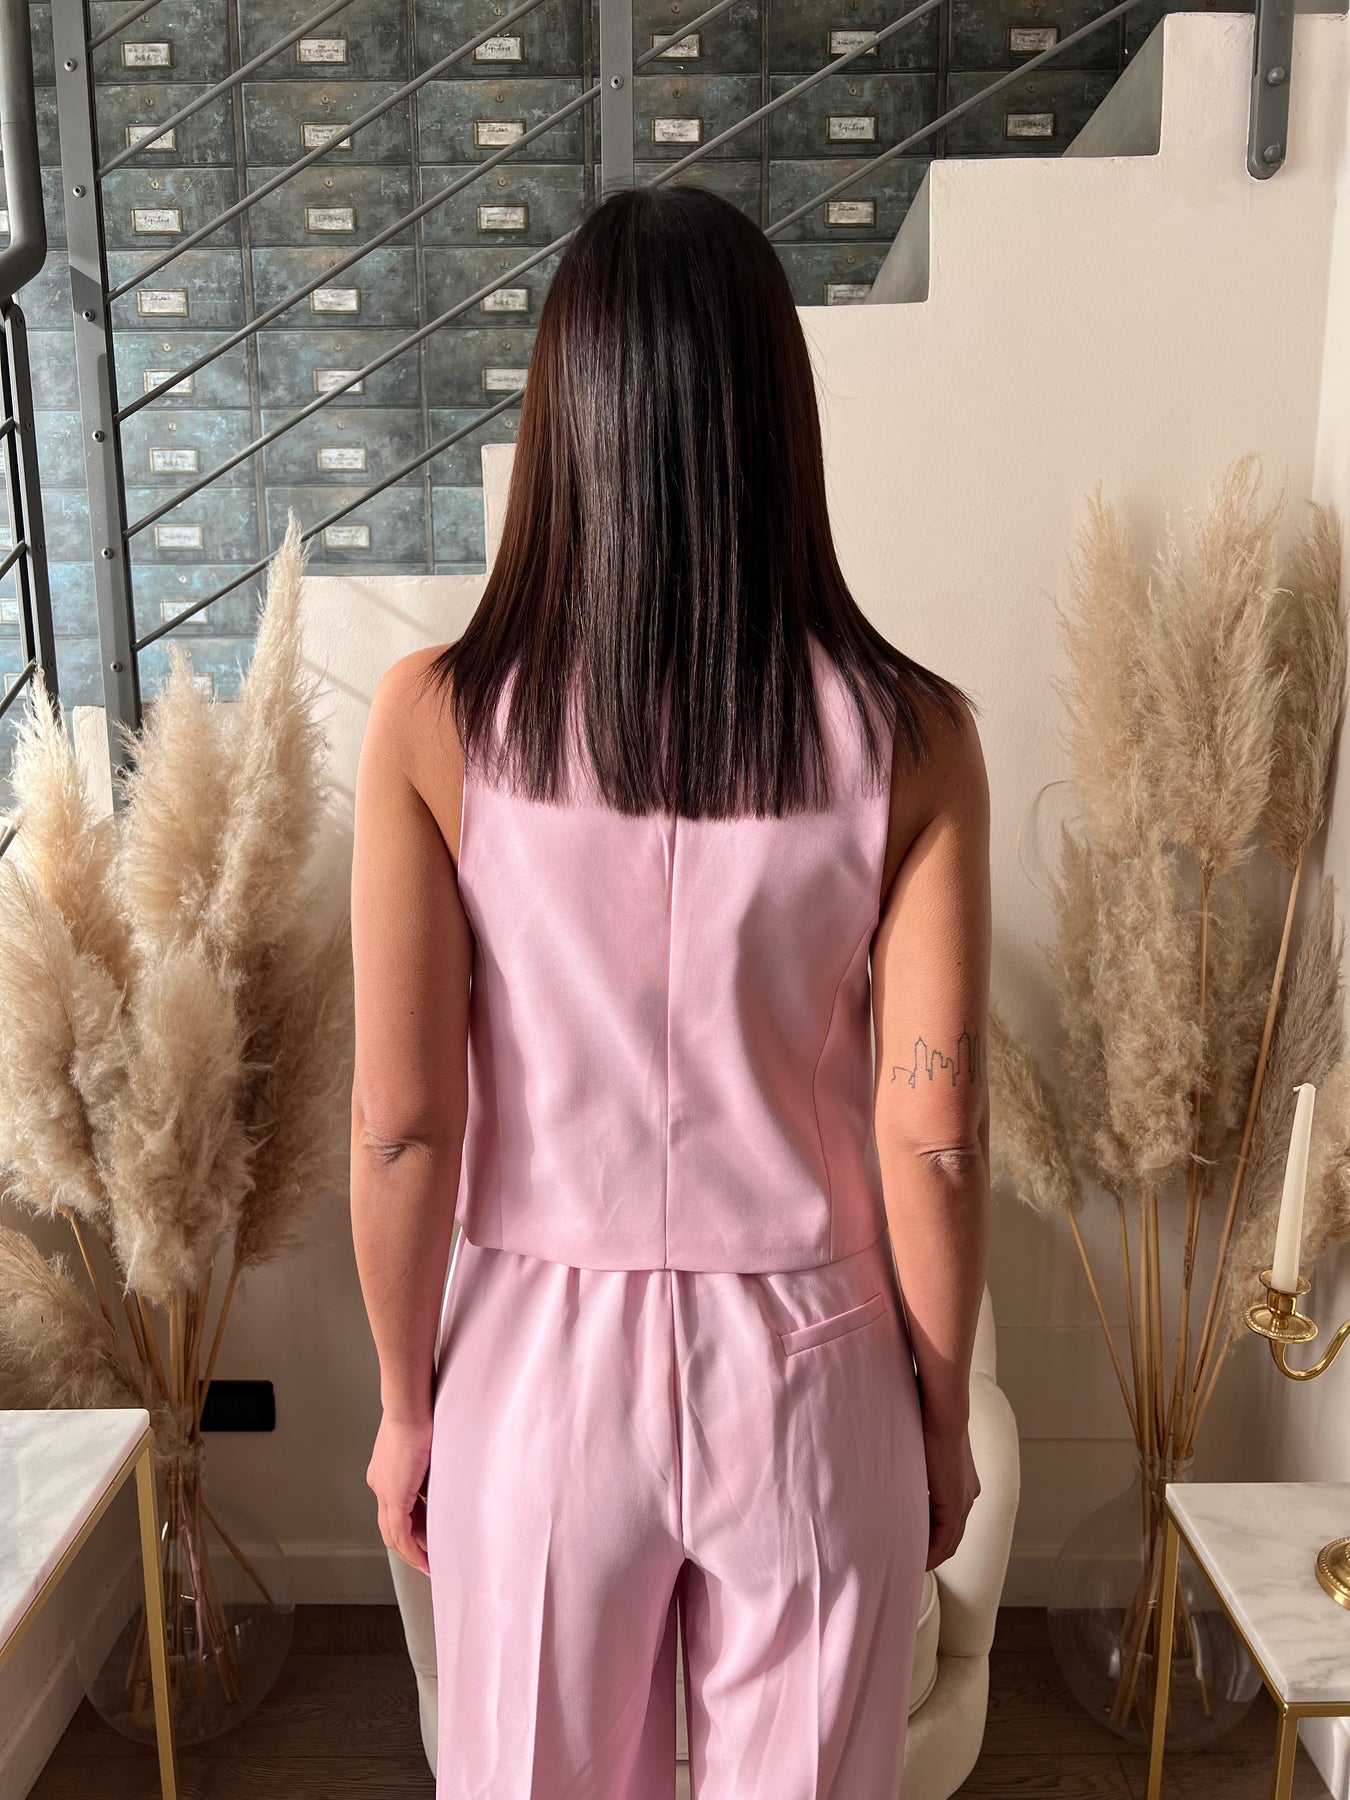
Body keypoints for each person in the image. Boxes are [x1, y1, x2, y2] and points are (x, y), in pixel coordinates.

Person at [349, 183, 991, 1800]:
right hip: (813, 1355)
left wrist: (404, 1404)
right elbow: (932, 1134)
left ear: (562, 422)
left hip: (535, 1367)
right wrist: (936, 1417)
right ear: (779, 422)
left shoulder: (436, 719)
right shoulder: (914, 734)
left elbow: (403, 1124)